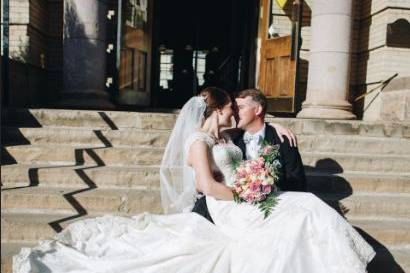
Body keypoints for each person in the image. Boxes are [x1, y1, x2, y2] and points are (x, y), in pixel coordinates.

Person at [13, 87, 375, 273]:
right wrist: (245, 195)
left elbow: (255, 126)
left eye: (238, 106)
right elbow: (206, 185)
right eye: (231, 106)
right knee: (306, 207)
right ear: (218, 110)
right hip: (227, 204)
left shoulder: (225, 136)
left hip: (242, 198)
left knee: (307, 206)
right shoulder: (199, 141)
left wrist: (277, 123)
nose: (235, 108)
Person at [192, 89, 306, 223]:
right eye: (233, 108)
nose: (235, 112)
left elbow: (297, 182)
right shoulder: (231, 138)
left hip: (273, 206)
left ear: (257, 110)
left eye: (240, 107)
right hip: (231, 203)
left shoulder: (282, 138)